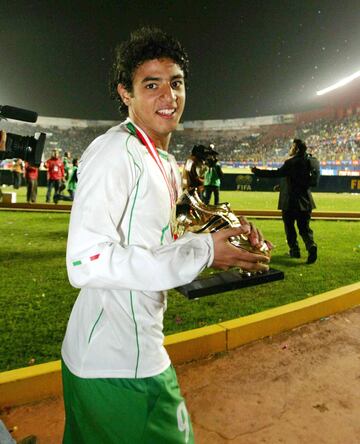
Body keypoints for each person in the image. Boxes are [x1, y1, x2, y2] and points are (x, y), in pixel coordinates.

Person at [61, 27, 270, 444]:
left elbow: (154, 246)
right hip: (120, 365)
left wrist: (221, 241)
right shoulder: (115, 153)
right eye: (151, 85)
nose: (167, 96)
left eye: (175, 83)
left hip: (115, 351)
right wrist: (204, 253)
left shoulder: (159, 158)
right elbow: (84, 262)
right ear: (126, 93)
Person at [252, 138, 317, 264]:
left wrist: (257, 171)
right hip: (306, 201)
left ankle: (295, 250)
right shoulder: (312, 161)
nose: (290, 149)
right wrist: (283, 186)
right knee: (305, 228)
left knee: (289, 227)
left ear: (296, 149)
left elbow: (276, 174)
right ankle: (311, 246)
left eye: (292, 147)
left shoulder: (291, 163)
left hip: (290, 202)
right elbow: (299, 179)